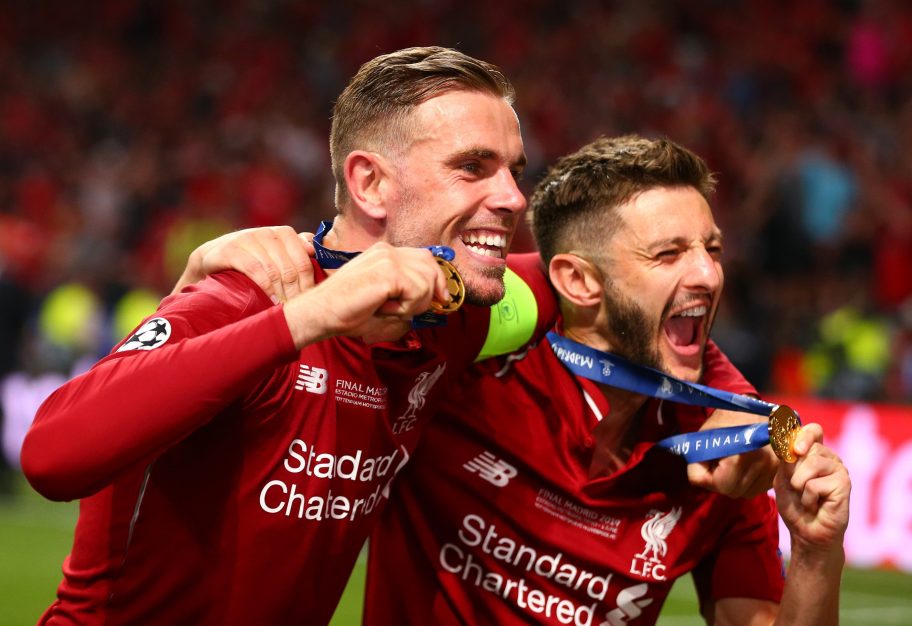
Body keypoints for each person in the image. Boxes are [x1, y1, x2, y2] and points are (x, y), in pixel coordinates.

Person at [20, 46, 556, 626]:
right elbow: (50, 456)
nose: (513, 198)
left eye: (514, 171)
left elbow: (581, 273)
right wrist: (304, 320)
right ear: (370, 183)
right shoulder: (248, 296)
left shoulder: (456, 315)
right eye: (473, 167)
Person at [361, 136, 850, 625]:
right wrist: (292, 248)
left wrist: (814, 550)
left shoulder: (721, 447)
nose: (709, 273)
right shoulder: (463, 372)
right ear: (577, 281)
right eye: (667, 254)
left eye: (712, 248)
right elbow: (363, 288)